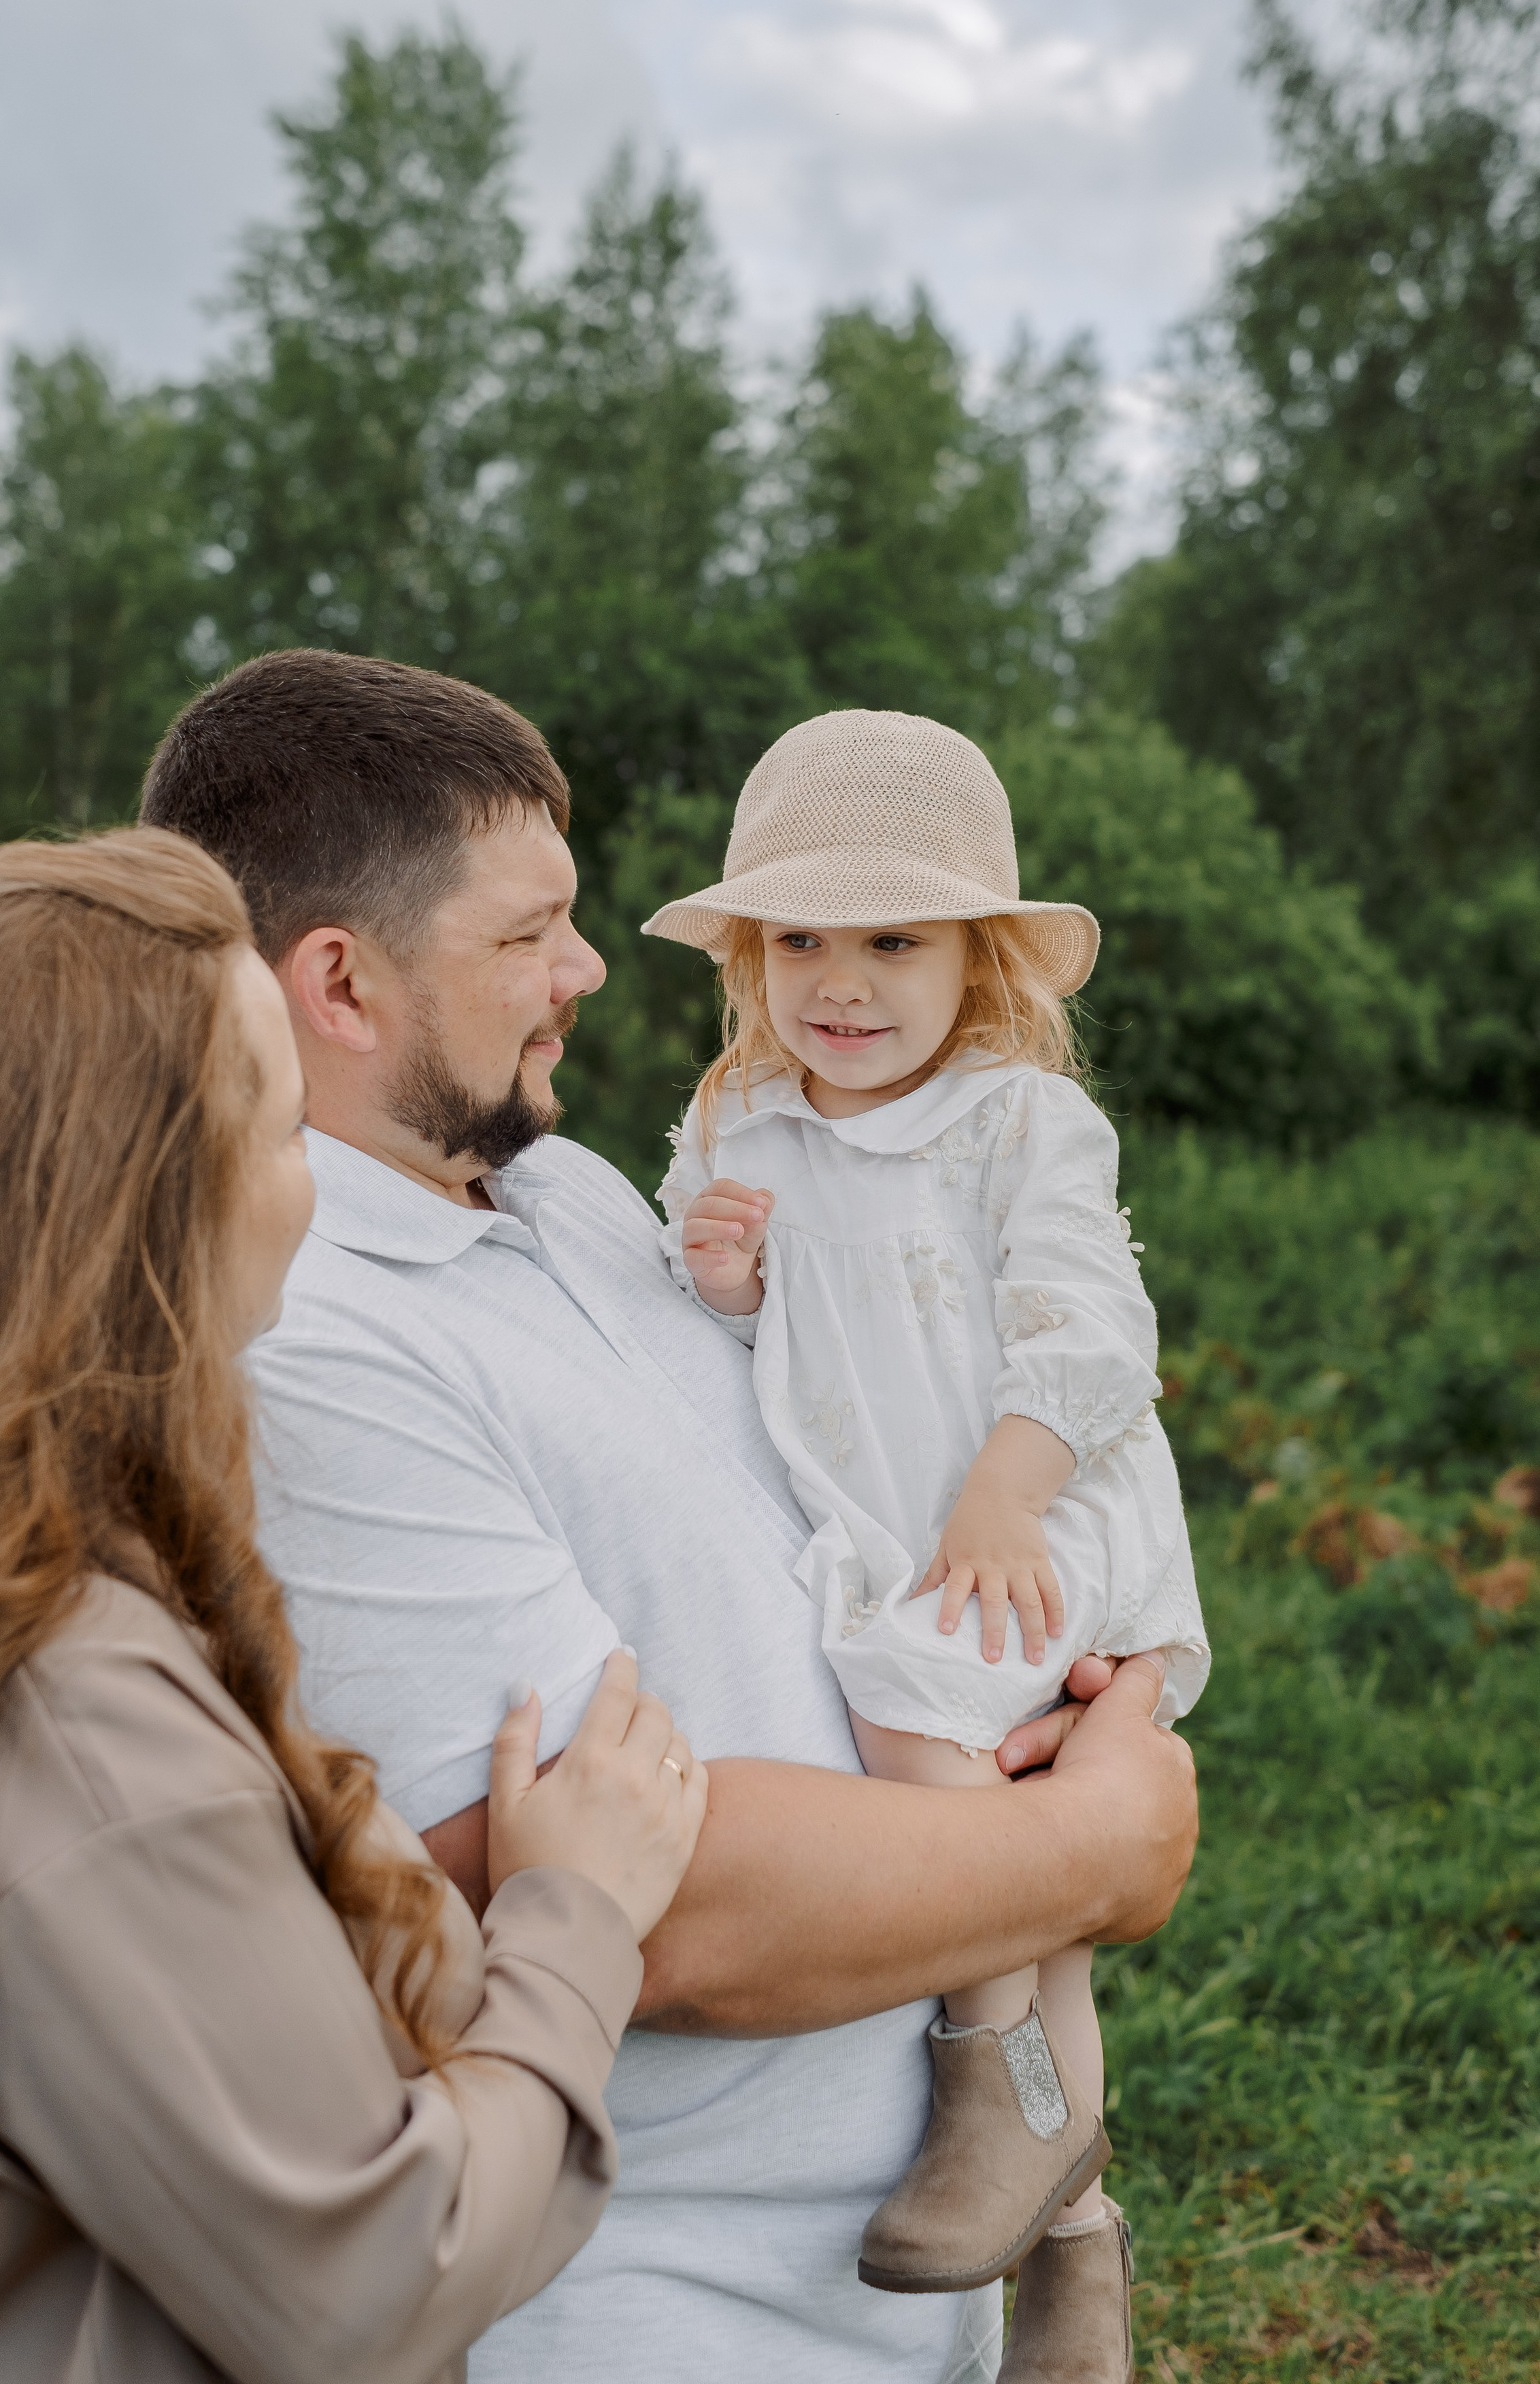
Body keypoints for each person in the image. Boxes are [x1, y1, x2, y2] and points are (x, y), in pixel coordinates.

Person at [139, 649, 1199, 2384]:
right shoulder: (300, 1334)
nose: (582, 971)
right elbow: (605, 1894)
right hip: (651, 2311)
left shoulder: (551, 1184)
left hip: (891, 2286)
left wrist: (1039, 1652)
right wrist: (1090, 1848)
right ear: (338, 981)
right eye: (528, 933)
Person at [0, 830, 707, 2384]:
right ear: (136, 1213)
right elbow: (367, 2283)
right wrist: (573, 1920)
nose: (312, 1184)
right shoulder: (72, 1721)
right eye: (284, 1129)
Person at [652, 709, 1211, 2379]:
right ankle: (1075, 2250)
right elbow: (766, 1364)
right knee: (995, 1840)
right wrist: (724, 1283)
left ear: (976, 956)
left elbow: (1096, 1341)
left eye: (892, 938)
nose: (840, 980)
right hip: (886, 1524)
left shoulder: (1015, 1122)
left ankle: (986, 2073)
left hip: (1026, 1512)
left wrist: (1003, 1490)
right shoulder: (738, 1122)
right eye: (799, 938)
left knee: (910, 1719)